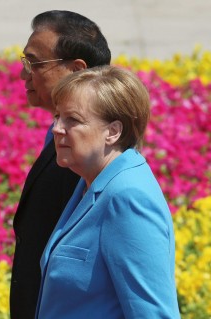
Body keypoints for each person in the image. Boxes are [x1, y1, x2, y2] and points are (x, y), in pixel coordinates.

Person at [35, 65, 181, 318]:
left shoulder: (127, 198)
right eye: (57, 116)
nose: (57, 128)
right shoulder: (90, 180)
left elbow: (153, 313)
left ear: (113, 132)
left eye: (73, 120)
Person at [10, 10, 111, 319]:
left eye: (35, 63)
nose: (24, 74)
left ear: (75, 70)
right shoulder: (59, 134)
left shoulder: (93, 157)